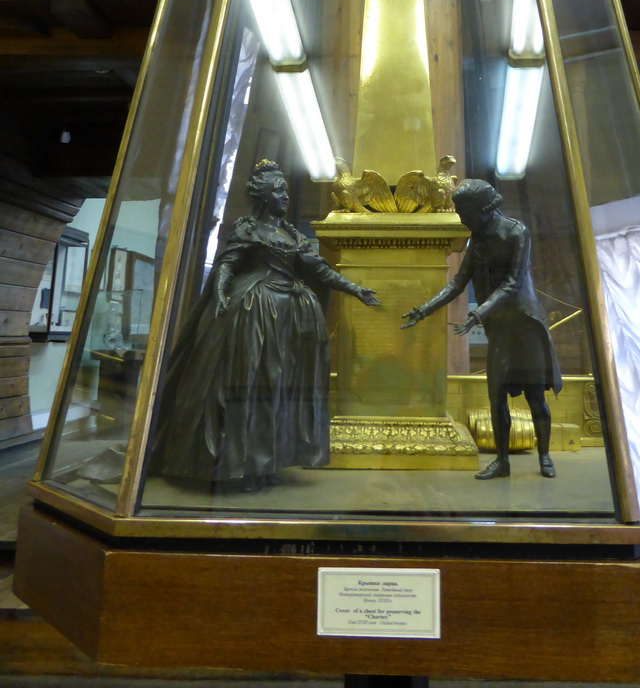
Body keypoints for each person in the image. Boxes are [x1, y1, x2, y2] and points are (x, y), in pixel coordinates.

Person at [150, 160, 380, 490]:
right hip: (254, 312)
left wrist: (356, 289)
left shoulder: (292, 234)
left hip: (290, 318)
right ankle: (237, 465)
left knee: (281, 391)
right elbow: (228, 265)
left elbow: (321, 271)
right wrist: (219, 289)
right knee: (251, 387)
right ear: (263, 196)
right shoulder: (248, 229)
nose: (285, 196)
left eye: (286, 190)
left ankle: (267, 460)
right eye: (278, 191)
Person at [402, 179, 561, 480]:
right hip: (500, 329)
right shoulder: (477, 241)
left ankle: (544, 455)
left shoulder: (517, 232)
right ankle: (502, 461)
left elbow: (512, 283)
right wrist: (424, 309)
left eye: (465, 212)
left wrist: (478, 312)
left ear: (484, 209)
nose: (462, 219)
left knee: (536, 397)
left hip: (526, 326)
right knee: (496, 394)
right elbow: (458, 282)